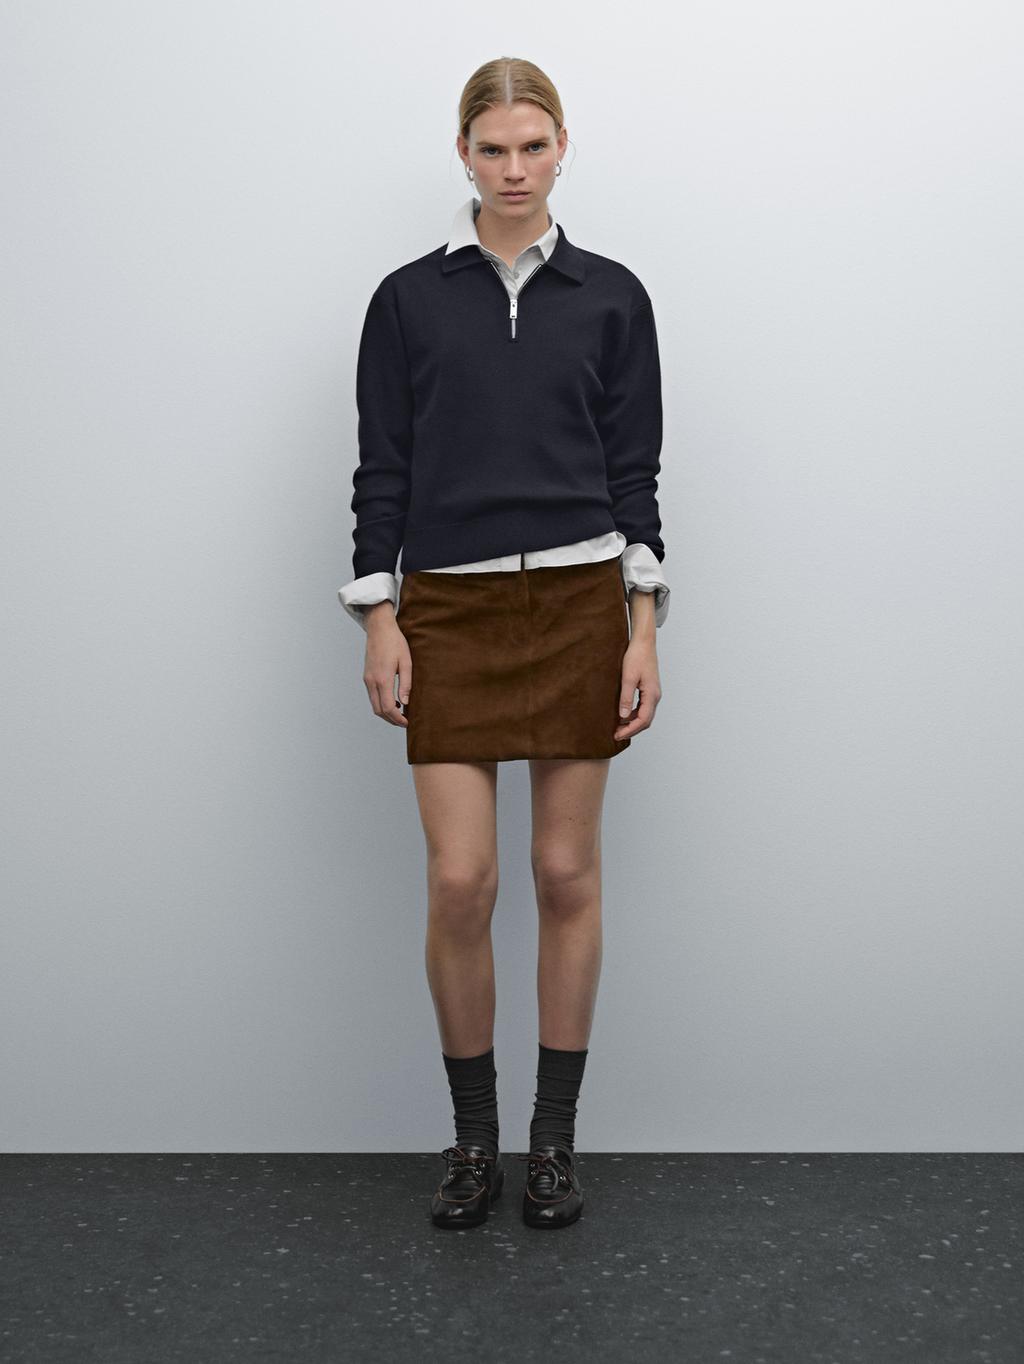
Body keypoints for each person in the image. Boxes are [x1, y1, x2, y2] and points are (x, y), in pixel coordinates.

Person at [337, 56, 670, 1230]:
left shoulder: (612, 296)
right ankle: (474, 1140)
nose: (514, 169)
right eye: (493, 149)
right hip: (450, 608)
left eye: (533, 146)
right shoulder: (406, 300)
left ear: (562, 147)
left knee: (565, 872)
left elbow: (634, 475)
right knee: (460, 878)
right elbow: (383, 468)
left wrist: (642, 626)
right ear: (463, 154)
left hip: (581, 604)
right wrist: (380, 614)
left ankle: (552, 1144)